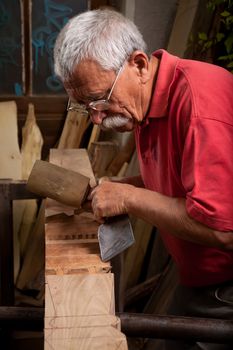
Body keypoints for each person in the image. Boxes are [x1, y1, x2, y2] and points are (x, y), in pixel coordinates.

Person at [54, 8, 233, 350]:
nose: (95, 118)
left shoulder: (199, 102)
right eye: (84, 106)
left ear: (137, 64)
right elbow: (178, 183)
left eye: (100, 100)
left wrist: (128, 199)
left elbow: (224, 230)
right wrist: (124, 187)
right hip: (197, 279)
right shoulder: (145, 105)